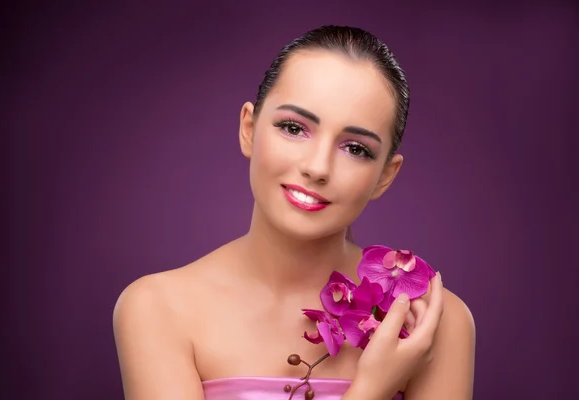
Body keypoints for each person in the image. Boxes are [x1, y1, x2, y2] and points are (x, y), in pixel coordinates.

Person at [113, 25, 476, 400]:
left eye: (355, 149)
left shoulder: (431, 323)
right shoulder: (158, 308)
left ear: (386, 175)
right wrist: (372, 389)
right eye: (293, 127)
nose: (317, 167)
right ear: (249, 129)